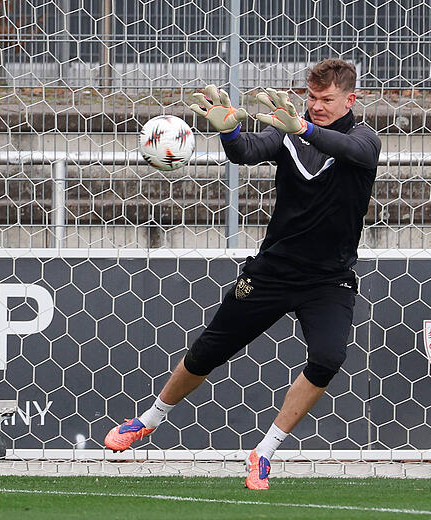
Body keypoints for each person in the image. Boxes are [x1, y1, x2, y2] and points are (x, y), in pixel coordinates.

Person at [103, 59, 381, 490]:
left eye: (327, 100)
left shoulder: (362, 138)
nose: (318, 106)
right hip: (272, 272)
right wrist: (229, 130)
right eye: (312, 98)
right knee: (209, 350)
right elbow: (246, 152)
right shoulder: (289, 131)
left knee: (328, 359)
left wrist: (302, 128)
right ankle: (149, 419)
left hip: (329, 280)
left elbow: (354, 152)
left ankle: (264, 452)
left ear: (351, 98)